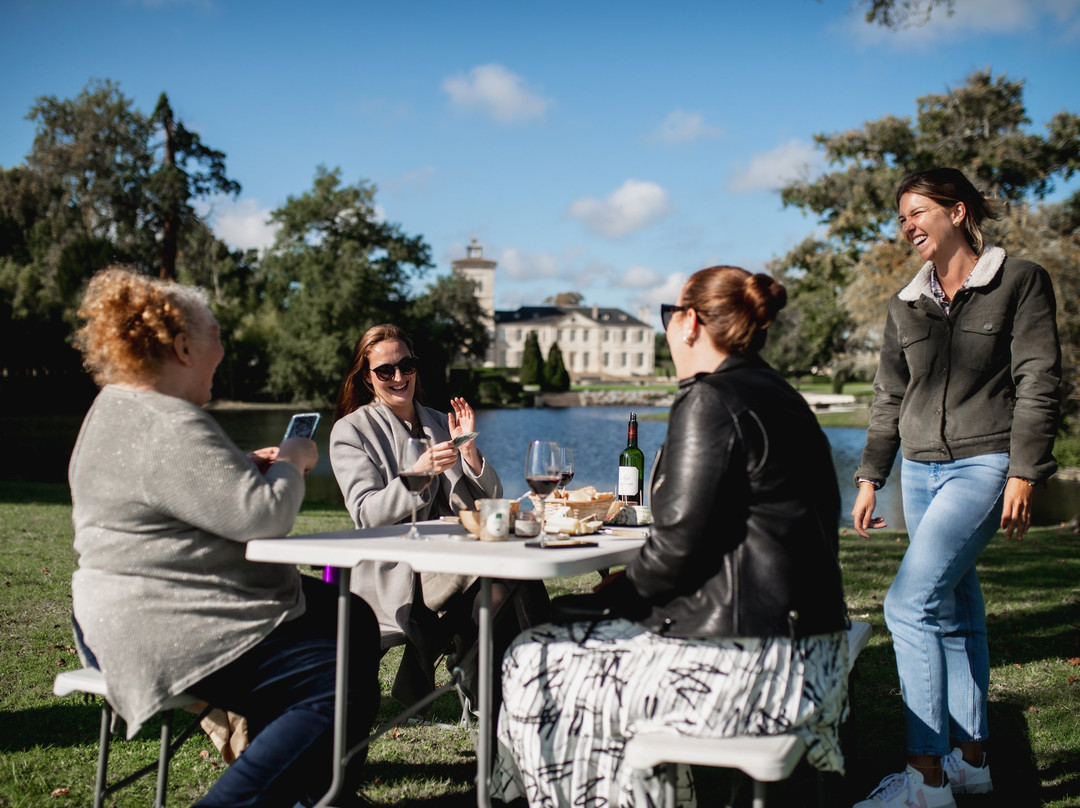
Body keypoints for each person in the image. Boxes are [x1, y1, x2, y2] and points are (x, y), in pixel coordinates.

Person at [491, 266, 850, 808]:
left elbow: (676, 544)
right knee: (569, 640)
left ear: (689, 323)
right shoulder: (782, 396)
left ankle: (534, 797)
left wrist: (617, 599)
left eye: (668, 317)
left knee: (530, 657)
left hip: (755, 669)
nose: (666, 330)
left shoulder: (710, 399)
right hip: (813, 653)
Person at [68, 266, 381, 808]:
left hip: (122, 611)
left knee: (349, 617)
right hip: (160, 625)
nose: (223, 349)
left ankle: (321, 794)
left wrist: (238, 464)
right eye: (216, 335)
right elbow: (265, 516)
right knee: (335, 687)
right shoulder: (168, 423)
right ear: (183, 347)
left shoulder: (120, 408)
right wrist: (292, 460)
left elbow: (167, 483)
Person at [851, 168, 1061, 808]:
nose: (908, 225)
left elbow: (1038, 378)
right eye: (902, 217)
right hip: (918, 468)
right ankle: (970, 763)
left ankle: (925, 777)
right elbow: (890, 397)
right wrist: (869, 476)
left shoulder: (1018, 281)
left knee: (907, 605)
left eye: (919, 212)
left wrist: (1025, 469)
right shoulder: (904, 304)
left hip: (984, 464)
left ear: (958, 211)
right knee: (953, 613)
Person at [330, 324, 549, 705]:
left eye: (407, 365)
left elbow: (491, 499)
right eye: (385, 371)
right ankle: (527, 701)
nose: (399, 377)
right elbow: (366, 513)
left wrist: (471, 455)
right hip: (399, 570)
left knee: (514, 582)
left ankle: (517, 700)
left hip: (455, 558)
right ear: (367, 378)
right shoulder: (351, 431)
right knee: (506, 587)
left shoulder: (437, 420)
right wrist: (419, 474)